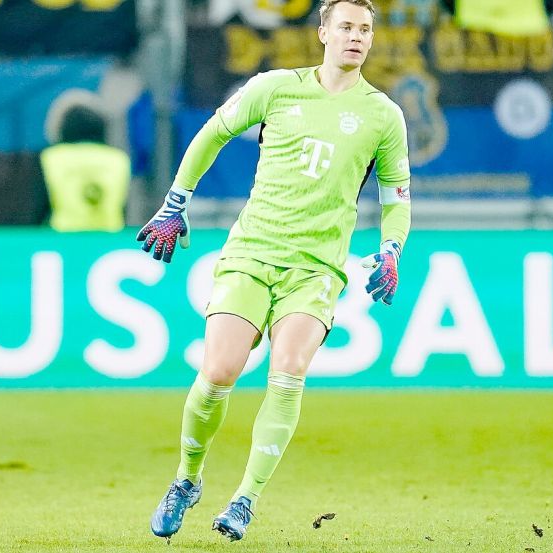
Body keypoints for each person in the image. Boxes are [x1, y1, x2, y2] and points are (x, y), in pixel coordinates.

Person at [140, 0, 411, 542]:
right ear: (323, 33)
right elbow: (212, 133)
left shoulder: (384, 115)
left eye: (365, 30)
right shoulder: (275, 87)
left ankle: (245, 498)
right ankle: (186, 480)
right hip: (252, 252)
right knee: (218, 372)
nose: (356, 37)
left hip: (316, 268)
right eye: (346, 27)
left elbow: (396, 197)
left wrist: (391, 249)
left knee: (289, 369)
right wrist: (176, 200)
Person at [39, 104, 130, 231]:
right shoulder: (118, 159)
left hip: (63, 238)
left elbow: (39, 205)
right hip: (109, 238)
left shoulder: (52, 157)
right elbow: (124, 205)